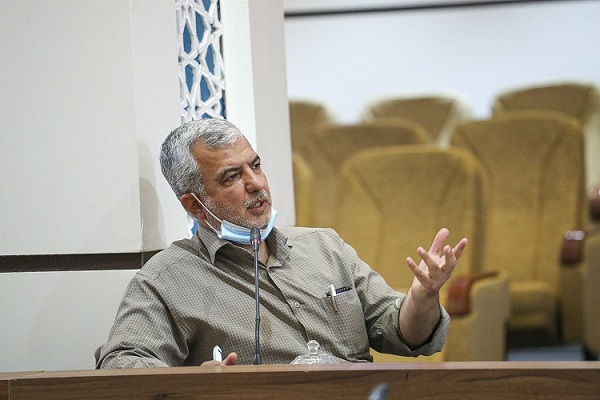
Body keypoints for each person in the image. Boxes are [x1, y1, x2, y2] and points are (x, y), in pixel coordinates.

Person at [95, 118, 467, 368]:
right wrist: (194, 385)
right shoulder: (167, 279)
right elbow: (120, 363)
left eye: (255, 166)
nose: (256, 184)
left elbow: (404, 334)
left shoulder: (324, 246)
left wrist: (423, 296)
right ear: (194, 205)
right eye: (231, 177)